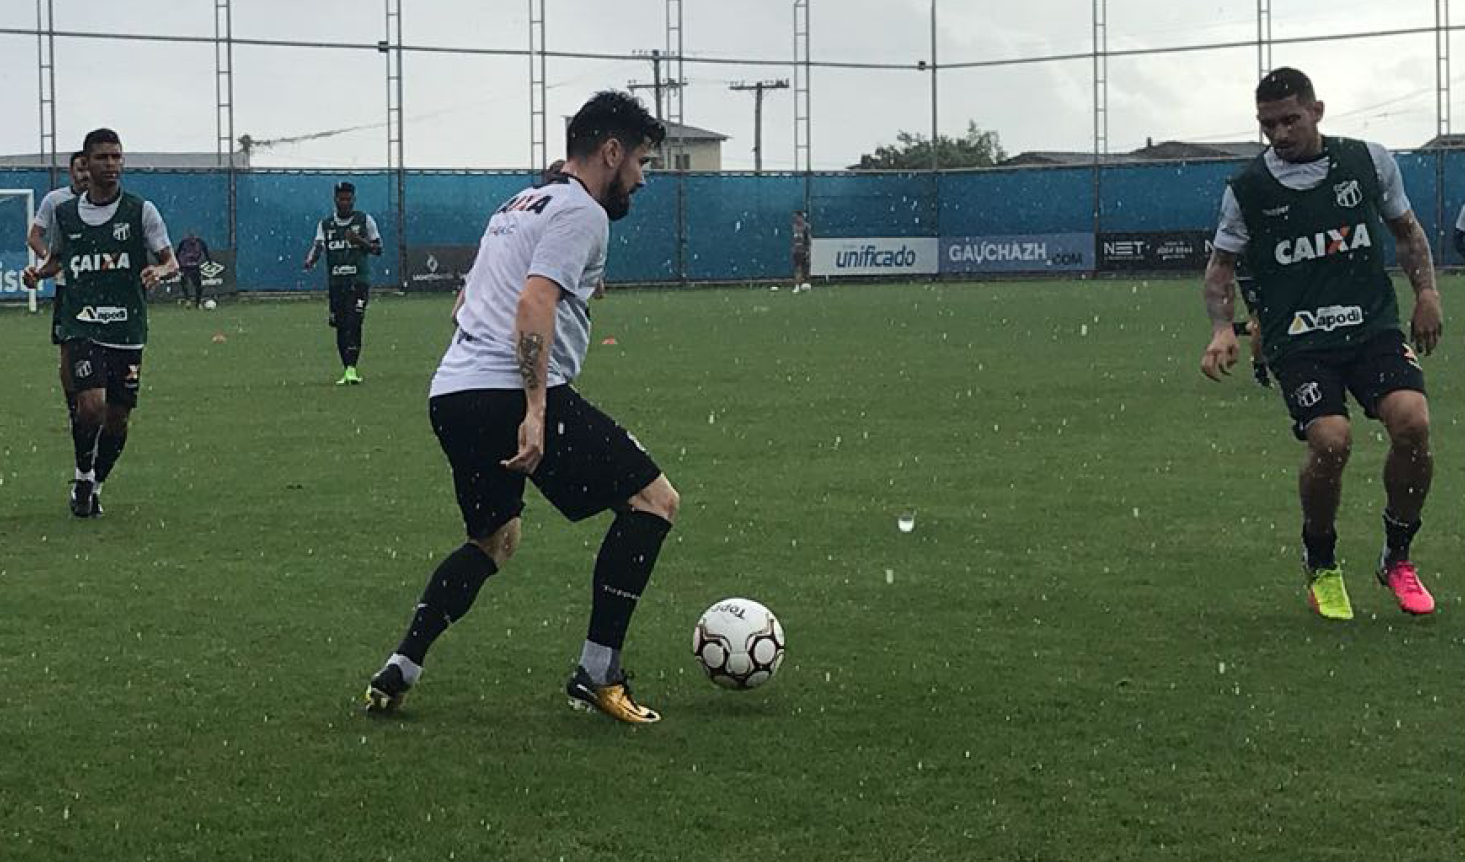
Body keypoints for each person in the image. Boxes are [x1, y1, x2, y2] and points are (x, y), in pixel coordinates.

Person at [364, 90, 676, 725]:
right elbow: (533, 304)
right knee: (653, 502)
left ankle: (403, 664)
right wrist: (535, 407)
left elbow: (463, 304)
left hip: (453, 395)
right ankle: (598, 672)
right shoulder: (581, 210)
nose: (641, 179)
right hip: (508, 392)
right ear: (609, 152)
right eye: (640, 161)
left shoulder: (516, 205)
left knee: (495, 538)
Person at [1199, 68, 1442, 620]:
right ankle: (1321, 557)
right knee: (1332, 441)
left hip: (1371, 326)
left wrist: (1427, 293)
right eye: (1268, 124)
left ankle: (1397, 556)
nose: (1280, 134)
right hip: (1301, 341)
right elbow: (1220, 268)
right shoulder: (1248, 190)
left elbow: (1406, 232)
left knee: (1414, 422)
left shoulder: (1368, 160)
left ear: (1317, 111)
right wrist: (1221, 327)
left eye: (1290, 119)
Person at [23, 128, 177, 518]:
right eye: (103, 158)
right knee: (90, 405)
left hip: (126, 327)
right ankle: (82, 473)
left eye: (116, 157)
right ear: (85, 166)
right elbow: (59, 258)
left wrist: (160, 271)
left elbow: (170, 260)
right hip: (82, 322)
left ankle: (96, 484)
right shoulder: (65, 213)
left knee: (118, 418)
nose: (111, 165)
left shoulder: (141, 210)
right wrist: (38, 275)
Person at [26, 149, 89, 418]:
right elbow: (35, 236)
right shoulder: (56, 201)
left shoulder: (108, 202)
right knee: (68, 351)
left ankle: (99, 402)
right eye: (80, 169)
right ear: (71, 172)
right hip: (68, 288)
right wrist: (49, 261)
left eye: (89, 168)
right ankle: (73, 407)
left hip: (100, 287)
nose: (86, 174)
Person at [302, 182, 381, 385]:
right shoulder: (326, 224)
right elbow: (318, 246)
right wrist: (311, 260)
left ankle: (352, 369)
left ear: (354, 199)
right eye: (341, 199)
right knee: (340, 325)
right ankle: (346, 369)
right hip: (337, 284)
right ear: (335, 200)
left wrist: (359, 241)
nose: (344, 202)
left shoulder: (365, 220)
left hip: (358, 281)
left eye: (348, 199)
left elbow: (378, 249)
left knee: (355, 322)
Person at [1233, 269, 1270, 388]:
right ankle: (1260, 372)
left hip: (1272, 271)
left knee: (1275, 320)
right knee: (1259, 323)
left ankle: (1239, 328)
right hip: (1250, 275)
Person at [175, 231, 212, 308]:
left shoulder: (201, 243)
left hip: (195, 266)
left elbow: (205, 251)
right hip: (184, 266)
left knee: (198, 285)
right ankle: (187, 300)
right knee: (184, 282)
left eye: (194, 237)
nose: (192, 239)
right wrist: (176, 262)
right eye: (190, 236)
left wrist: (209, 260)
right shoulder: (183, 242)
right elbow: (178, 252)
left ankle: (198, 303)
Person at [791, 209, 811, 289]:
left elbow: (808, 239)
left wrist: (807, 250)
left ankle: (806, 284)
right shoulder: (794, 226)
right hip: (796, 250)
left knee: (805, 268)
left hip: (804, 250)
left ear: (801, 217)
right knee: (797, 268)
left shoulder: (806, 227)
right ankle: (797, 285)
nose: (795, 219)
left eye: (797, 217)